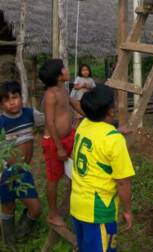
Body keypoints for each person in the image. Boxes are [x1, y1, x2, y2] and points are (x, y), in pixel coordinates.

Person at [70, 85, 135, 252]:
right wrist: (127, 211)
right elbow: (123, 182)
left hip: (77, 205)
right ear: (111, 111)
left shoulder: (83, 125)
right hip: (98, 212)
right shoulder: (113, 140)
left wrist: (115, 130)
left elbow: (97, 129)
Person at [38, 58, 83, 227]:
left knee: (76, 169)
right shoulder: (51, 94)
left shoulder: (63, 89)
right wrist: (59, 147)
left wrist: (92, 113)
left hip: (68, 137)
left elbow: (74, 104)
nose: (67, 69)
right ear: (58, 75)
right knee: (53, 178)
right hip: (53, 143)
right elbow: (49, 122)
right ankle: (52, 214)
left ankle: (75, 201)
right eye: (64, 68)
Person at [0, 80, 44, 250]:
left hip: (24, 172)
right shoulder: (1, 121)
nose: (12, 102)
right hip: (6, 173)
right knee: (8, 207)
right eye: (6, 100)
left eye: (15, 97)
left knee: (36, 209)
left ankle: (21, 231)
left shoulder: (30, 113)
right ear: (1, 104)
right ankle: (10, 241)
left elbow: (46, 121)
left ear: (20, 97)